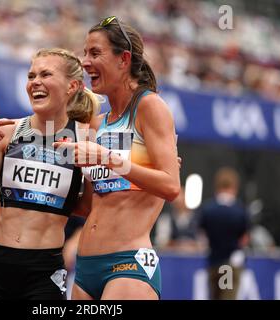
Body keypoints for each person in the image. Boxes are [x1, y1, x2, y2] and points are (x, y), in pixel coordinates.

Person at [53, 16, 180, 300]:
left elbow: (171, 185)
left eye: (95, 53)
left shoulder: (150, 107)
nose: (85, 62)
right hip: (86, 268)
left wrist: (108, 158)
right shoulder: (98, 123)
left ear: (124, 59)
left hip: (129, 264)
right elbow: (89, 206)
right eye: (85, 53)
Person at [0, 48, 100, 300]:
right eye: (31, 76)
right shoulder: (6, 131)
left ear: (72, 86)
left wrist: (92, 174)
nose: (35, 82)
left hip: (44, 268)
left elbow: (86, 208)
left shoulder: (86, 138)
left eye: (46, 74)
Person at [198, 167, 250, 300]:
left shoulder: (208, 209)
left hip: (213, 263)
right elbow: (244, 238)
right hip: (229, 265)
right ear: (234, 186)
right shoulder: (239, 211)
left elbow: (202, 235)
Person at [155, 186, 205, 253]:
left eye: (183, 196)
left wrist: (191, 245)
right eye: (176, 197)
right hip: (171, 259)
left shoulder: (199, 218)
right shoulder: (165, 219)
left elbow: (204, 244)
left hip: (195, 259)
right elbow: (161, 243)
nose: (179, 200)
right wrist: (178, 245)